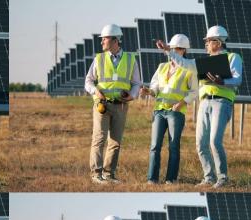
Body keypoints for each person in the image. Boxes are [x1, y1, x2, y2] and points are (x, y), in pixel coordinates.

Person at [156, 25, 242, 188]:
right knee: (201, 143)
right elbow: (185, 63)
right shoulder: (205, 62)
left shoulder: (233, 57)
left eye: (208, 41)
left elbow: (237, 79)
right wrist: (168, 51)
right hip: (204, 103)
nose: (206, 45)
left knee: (214, 142)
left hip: (221, 102)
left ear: (218, 42)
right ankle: (208, 177)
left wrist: (222, 81)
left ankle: (222, 178)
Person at [85, 24, 142, 185]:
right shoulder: (99, 59)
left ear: (115, 40)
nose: (102, 41)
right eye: (102, 39)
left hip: (121, 106)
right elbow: (88, 81)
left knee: (115, 142)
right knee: (99, 138)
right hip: (101, 105)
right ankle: (96, 174)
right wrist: (96, 92)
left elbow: (137, 83)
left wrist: (131, 96)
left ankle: (109, 174)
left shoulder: (131, 59)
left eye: (105, 38)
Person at [140, 34, 198, 185]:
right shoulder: (162, 67)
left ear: (184, 51)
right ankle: (152, 179)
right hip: (159, 110)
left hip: (176, 112)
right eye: (173, 48)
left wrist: (181, 103)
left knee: (173, 146)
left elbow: (194, 92)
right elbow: (155, 87)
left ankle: (170, 179)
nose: (175, 51)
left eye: (178, 49)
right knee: (154, 146)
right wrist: (149, 91)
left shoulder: (190, 68)